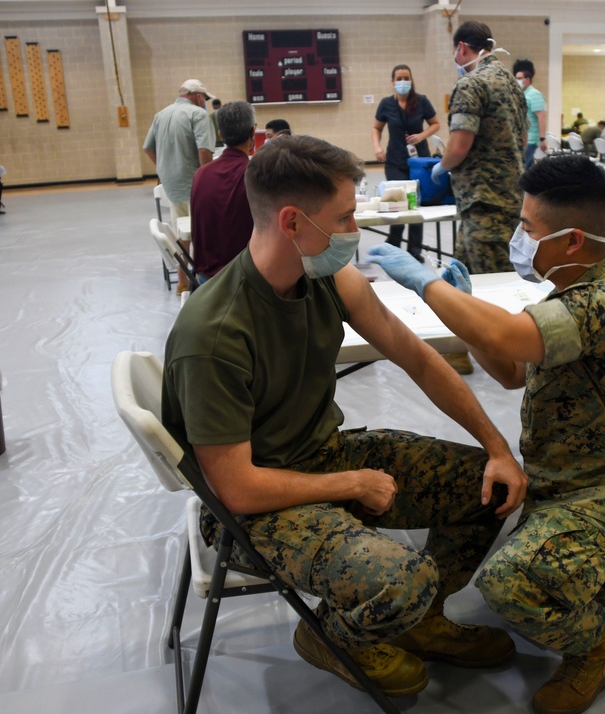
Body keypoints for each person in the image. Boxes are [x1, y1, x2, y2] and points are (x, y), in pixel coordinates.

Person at [161, 134, 528, 697]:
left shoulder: (326, 276)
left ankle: (423, 621)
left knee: (489, 486)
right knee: (404, 581)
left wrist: (499, 448)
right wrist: (351, 482)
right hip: (258, 506)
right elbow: (236, 489)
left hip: (321, 457)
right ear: (292, 222)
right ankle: (331, 637)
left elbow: (419, 359)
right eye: (346, 216)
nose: (355, 231)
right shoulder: (214, 335)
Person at [366, 153, 605, 714]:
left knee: (508, 583)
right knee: (504, 522)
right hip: (561, 485)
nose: (519, 237)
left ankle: (593, 649)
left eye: (528, 227)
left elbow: (513, 341)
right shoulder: (566, 294)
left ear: (572, 241)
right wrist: (468, 308)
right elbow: (512, 369)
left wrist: (427, 284)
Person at [430, 20, 527, 374]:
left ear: (462, 49)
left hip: (485, 199)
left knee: (492, 285)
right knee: (460, 277)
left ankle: (511, 363)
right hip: (505, 196)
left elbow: (458, 145)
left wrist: (441, 166)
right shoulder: (511, 84)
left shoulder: (471, 85)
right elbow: (524, 136)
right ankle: (457, 350)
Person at [143, 78, 216, 293]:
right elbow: (204, 150)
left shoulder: (161, 115)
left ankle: (183, 282)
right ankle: (207, 281)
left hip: (172, 186)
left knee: (182, 233)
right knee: (205, 232)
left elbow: (148, 148)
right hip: (195, 185)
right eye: (205, 100)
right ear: (199, 97)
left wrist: (164, 170)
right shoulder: (198, 114)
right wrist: (210, 179)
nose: (205, 104)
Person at [371, 63, 441, 262]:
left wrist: (422, 135)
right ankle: (393, 246)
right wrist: (377, 147)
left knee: (416, 205)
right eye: (399, 79)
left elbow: (436, 124)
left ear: (411, 80)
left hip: (419, 162)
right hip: (395, 161)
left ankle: (414, 250)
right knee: (399, 204)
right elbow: (376, 128)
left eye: (406, 78)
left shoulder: (421, 101)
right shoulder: (386, 104)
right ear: (392, 82)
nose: (403, 82)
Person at [190, 100, 256, 282]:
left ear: (220, 134)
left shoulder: (201, 174)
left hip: (206, 279)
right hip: (242, 280)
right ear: (253, 132)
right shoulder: (255, 176)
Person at [512, 59, 547, 169]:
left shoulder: (535, 95)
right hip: (523, 139)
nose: (517, 81)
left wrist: (542, 139)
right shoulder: (523, 94)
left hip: (531, 140)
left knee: (524, 169)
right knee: (526, 169)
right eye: (516, 78)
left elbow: (541, 117)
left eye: (519, 79)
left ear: (527, 79)